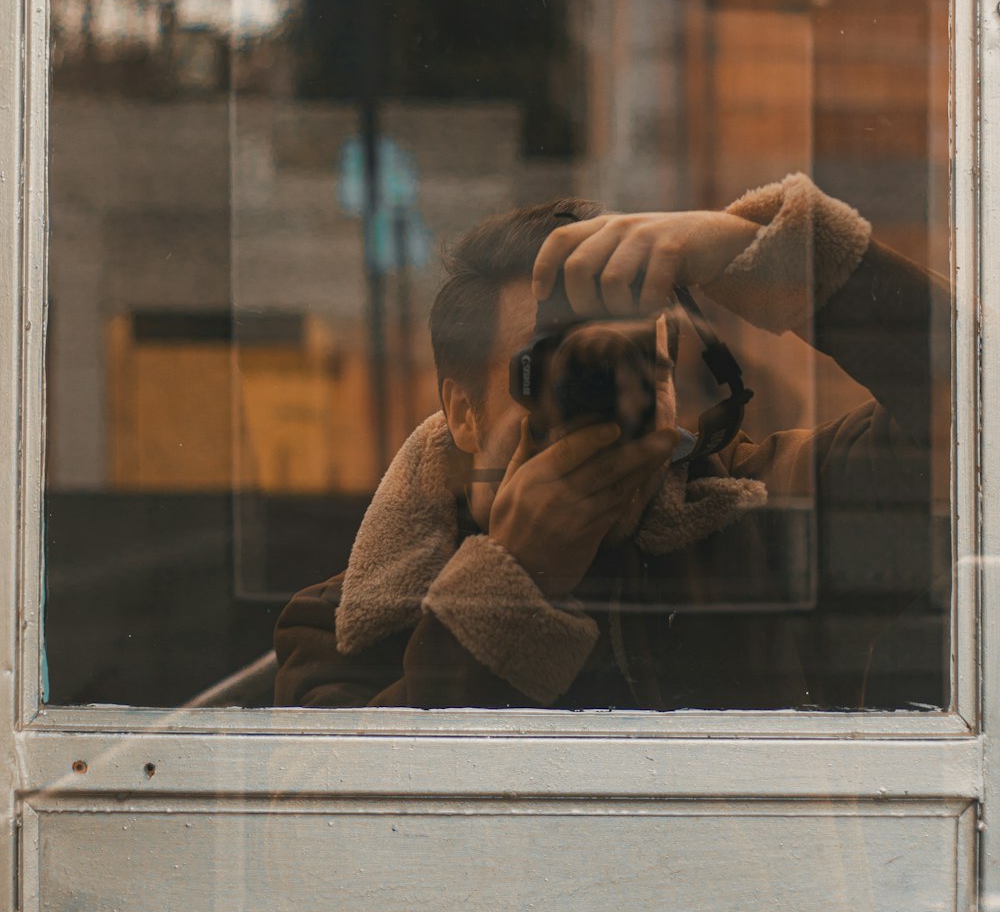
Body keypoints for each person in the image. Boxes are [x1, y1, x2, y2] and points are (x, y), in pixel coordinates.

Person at [274, 172, 947, 711]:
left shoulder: (766, 518)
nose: (589, 398)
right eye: (551, 366)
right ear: (461, 409)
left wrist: (754, 254)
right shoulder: (345, 624)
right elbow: (337, 851)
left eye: (620, 360)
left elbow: (976, 419)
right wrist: (510, 587)